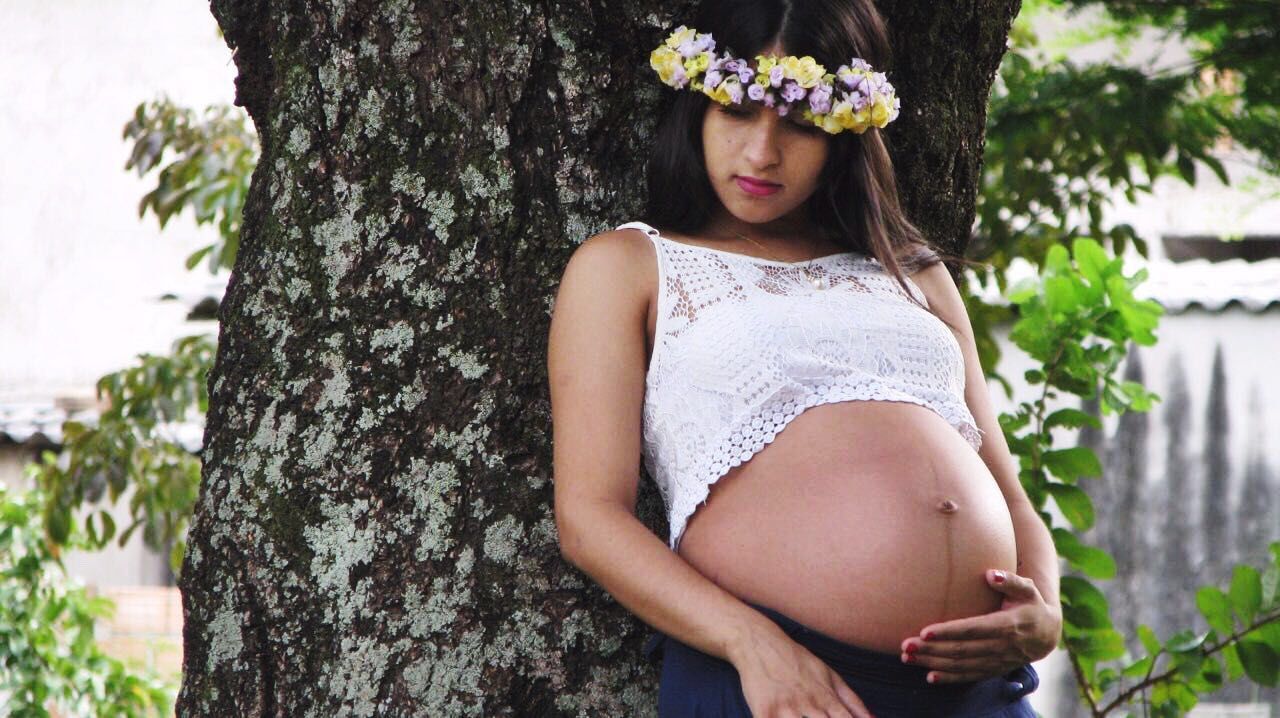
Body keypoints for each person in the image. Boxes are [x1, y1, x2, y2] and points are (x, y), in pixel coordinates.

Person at [547, 1, 1063, 715]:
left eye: (800, 123)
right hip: (785, 685)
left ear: (846, 133)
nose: (762, 152)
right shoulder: (631, 267)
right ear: (695, 108)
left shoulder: (912, 274)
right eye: (736, 111)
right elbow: (589, 516)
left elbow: (1006, 489)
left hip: (977, 691)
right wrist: (750, 643)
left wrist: (1045, 616)